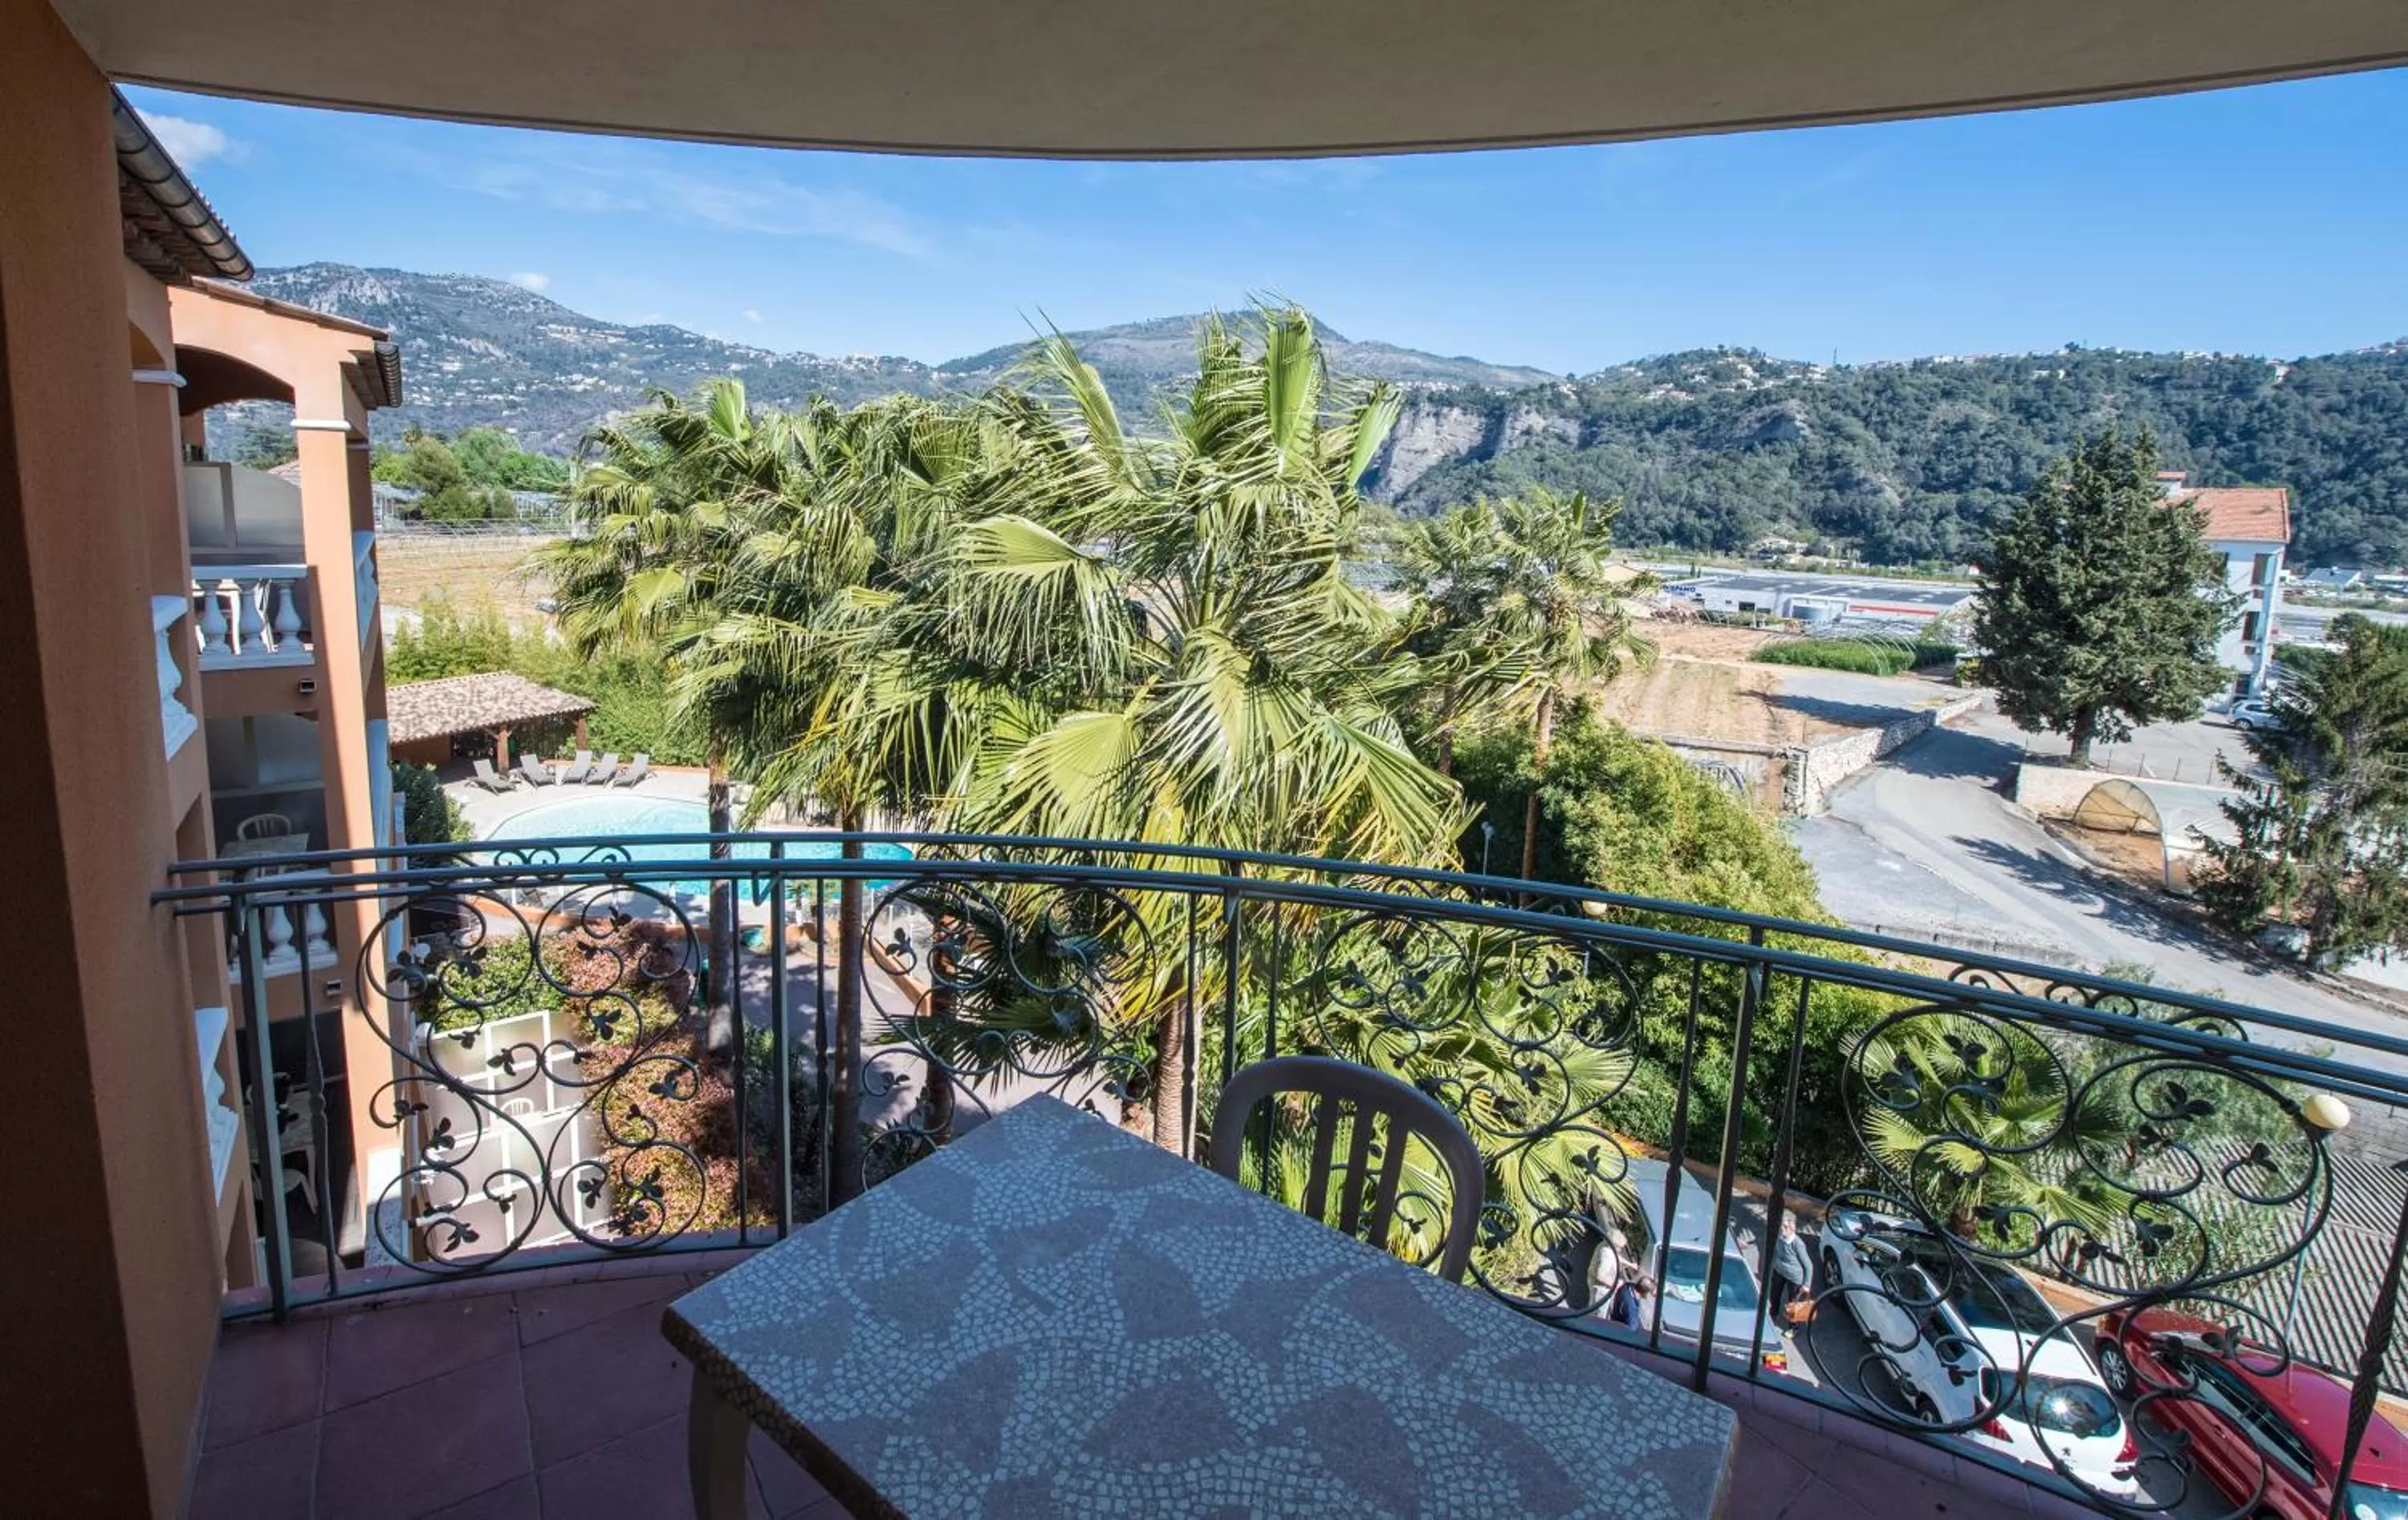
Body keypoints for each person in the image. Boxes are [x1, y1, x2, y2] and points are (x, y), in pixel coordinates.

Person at [1766, 1211, 1813, 1327]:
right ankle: (1773, 1315)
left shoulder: (1797, 1244)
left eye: (1785, 1226)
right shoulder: (1780, 1237)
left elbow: (1808, 1265)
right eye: (1782, 1226)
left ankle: (1793, 1327)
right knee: (1774, 1295)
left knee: (1793, 1304)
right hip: (1779, 1271)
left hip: (1794, 1278)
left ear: (1792, 1228)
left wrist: (1806, 1284)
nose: (1782, 1229)